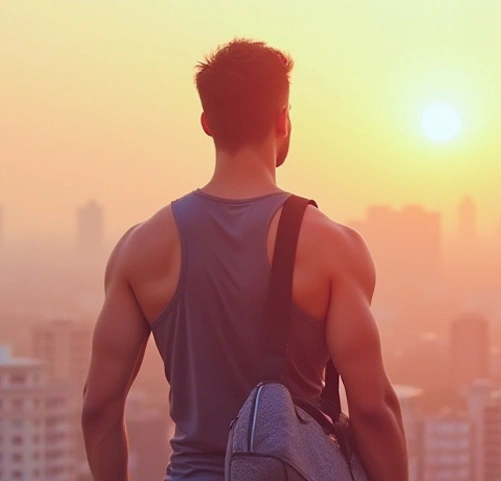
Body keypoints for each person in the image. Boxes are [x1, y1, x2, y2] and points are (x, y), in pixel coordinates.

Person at [82, 38, 408, 481]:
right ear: (283, 119)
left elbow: (99, 408)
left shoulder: (140, 248)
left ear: (206, 122)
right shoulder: (334, 246)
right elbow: (372, 409)